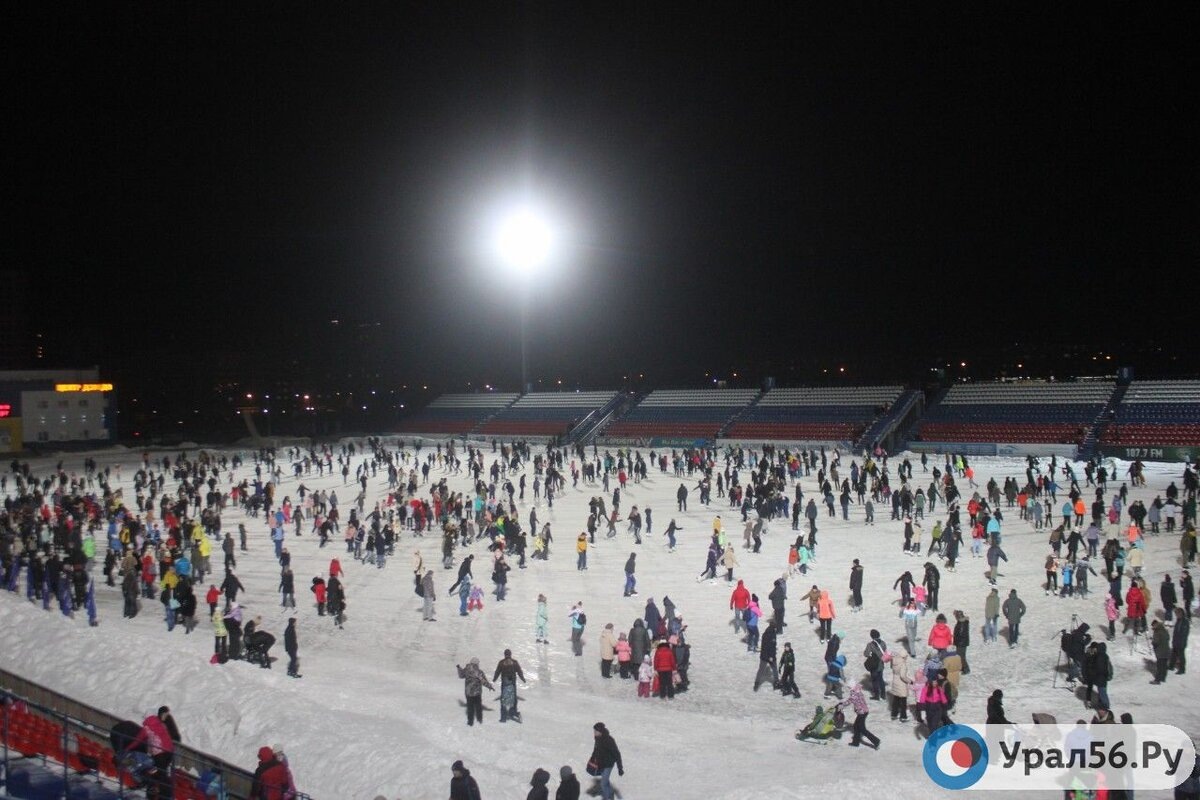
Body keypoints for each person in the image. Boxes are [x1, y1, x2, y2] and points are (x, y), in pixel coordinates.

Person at [588, 723, 623, 800]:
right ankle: (610, 793)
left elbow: (617, 754)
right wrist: (592, 759)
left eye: (596, 731)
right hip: (601, 764)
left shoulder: (609, 740)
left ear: (600, 731)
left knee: (603, 784)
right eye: (594, 730)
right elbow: (596, 750)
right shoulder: (597, 738)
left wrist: (620, 768)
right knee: (605, 781)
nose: (594, 732)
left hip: (608, 765)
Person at [456, 658, 494, 726]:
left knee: (470, 707)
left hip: (468, 692)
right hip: (477, 693)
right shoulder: (479, 672)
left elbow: (461, 676)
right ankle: (479, 719)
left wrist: (459, 668)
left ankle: (470, 722)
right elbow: (483, 681)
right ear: (477, 664)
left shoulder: (466, 670)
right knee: (478, 706)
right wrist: (490, 686)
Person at [847, 684, 880, 749]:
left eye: (849, 687)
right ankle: (855, 742)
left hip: (861, 713)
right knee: (856, 726)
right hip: (864, 711)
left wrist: (840, 705)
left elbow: (848, 701)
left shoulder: (854, 694)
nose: (849, 688)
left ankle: (876, 741)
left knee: (862, 729)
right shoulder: (858, 691)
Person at [889, 650, 910, 721]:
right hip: (901, 684)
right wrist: (910, 681)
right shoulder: (903, 664)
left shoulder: (894, 661)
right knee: (903, 701)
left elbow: (892, 668)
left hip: (895, 682)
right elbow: (903, 676)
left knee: (896, 699)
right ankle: (903, 716)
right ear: (904, 657)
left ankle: (894, 715)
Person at [1151, 619, 1171, 684]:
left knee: (1159, 666)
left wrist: (1153, 641)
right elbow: (1168, 638)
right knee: (1164, 665)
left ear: (1155, 625)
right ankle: (1163, 678)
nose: (1153, 627)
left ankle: (1157, 680)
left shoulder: (1157, 631)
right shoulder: (1164, 630)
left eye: (1153, 626)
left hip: (1160, 651)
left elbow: (1156, 642)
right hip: (1166, 650)